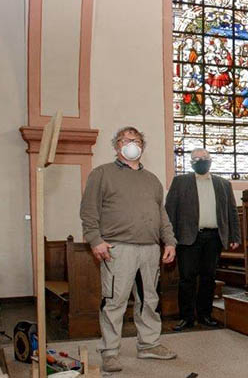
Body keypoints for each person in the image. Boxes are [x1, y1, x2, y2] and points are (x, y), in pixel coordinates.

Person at [80, 126, 178, 373]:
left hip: (149, 249)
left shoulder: (152, 180)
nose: (131, 144)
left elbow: (161, 214)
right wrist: (95, 240)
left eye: (136, 140)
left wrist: (170, 242)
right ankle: (110, 352)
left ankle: (149, 344)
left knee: (150, 300)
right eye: (126, 140)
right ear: (117, 146)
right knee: (114, 301)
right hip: (117, 249)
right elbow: (89, 211)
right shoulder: (101, 174)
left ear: (142, 146)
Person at [165, 148, 240, 331]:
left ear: (210, 160)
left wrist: (235, 235)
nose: (200, 161)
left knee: (209, 278)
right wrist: (169, 239)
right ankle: (186, 317)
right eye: (196, 158)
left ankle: (205, 315)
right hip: (188, 237)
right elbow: (169, 211)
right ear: (190, 162)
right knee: (187, 279)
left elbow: (232, 212)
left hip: (214, 237)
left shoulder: (223, 184)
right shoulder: (180, 182)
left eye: (204, 158)